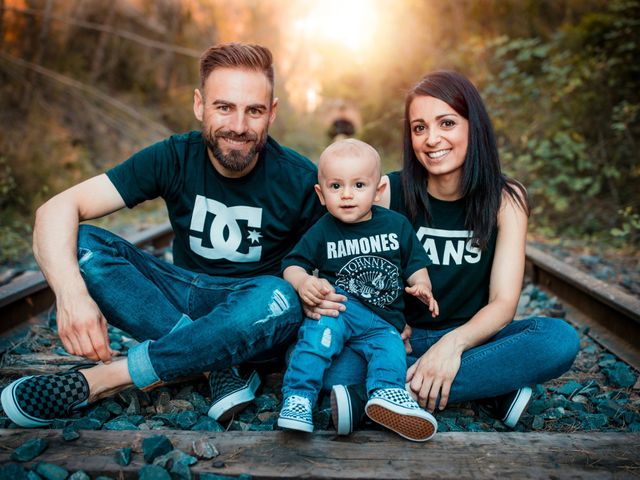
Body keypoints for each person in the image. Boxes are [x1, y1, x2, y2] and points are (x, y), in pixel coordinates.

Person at [1, 43, 326, 428]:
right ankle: (212, 365)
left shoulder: (300, 179)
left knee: (282, 297)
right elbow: (54, 210)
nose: (238, 126)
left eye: (253, 110)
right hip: (182, 297)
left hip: (251, 314)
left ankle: (104, 379)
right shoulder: (173, 157)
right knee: (82, 244)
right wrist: (71, 295)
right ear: (199, 105)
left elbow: (338, 263)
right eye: (224, 107)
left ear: (271, 113)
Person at [320, 71, 580, 432]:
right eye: (419, 128)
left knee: (557, 340)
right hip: (399, 342)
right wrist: (383, 324)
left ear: (474, 127)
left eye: (446, 123)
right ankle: (486, 386)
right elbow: (345, 269)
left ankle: (385, 398)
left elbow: (504, 303)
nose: (432, 139)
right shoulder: (387, 193)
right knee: (325, 362)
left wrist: (452, 346)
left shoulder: (507, 200)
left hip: (472, 338)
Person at [276, 139, 439, 441]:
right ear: (320, 194)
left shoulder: (396, 225)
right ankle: (298, 399)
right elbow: (292, 264)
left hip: (384, 323)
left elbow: (415, 264)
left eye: (359, 185)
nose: (347, 195)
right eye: (336, 186)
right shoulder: (323, 229)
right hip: (340, 309)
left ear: (378, 192)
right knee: (317, 340)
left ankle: (388, 395)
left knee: (391, 352)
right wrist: (303, 282)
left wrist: (422, 286)